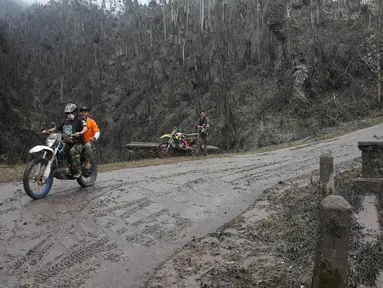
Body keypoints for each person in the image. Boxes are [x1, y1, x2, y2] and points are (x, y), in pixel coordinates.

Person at [42, 103, 88, 178]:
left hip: (78, 143)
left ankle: (78, 170)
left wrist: (80, 132)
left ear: (75, 112)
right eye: (67, 113)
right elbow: (56, 128)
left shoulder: (80, 120)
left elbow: (85, 128)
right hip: (67, 143)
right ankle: (60, 167)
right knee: (58, 149)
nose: (69, 115)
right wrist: (47, 131)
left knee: (73, 151)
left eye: (70, 113)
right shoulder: (65, 121)